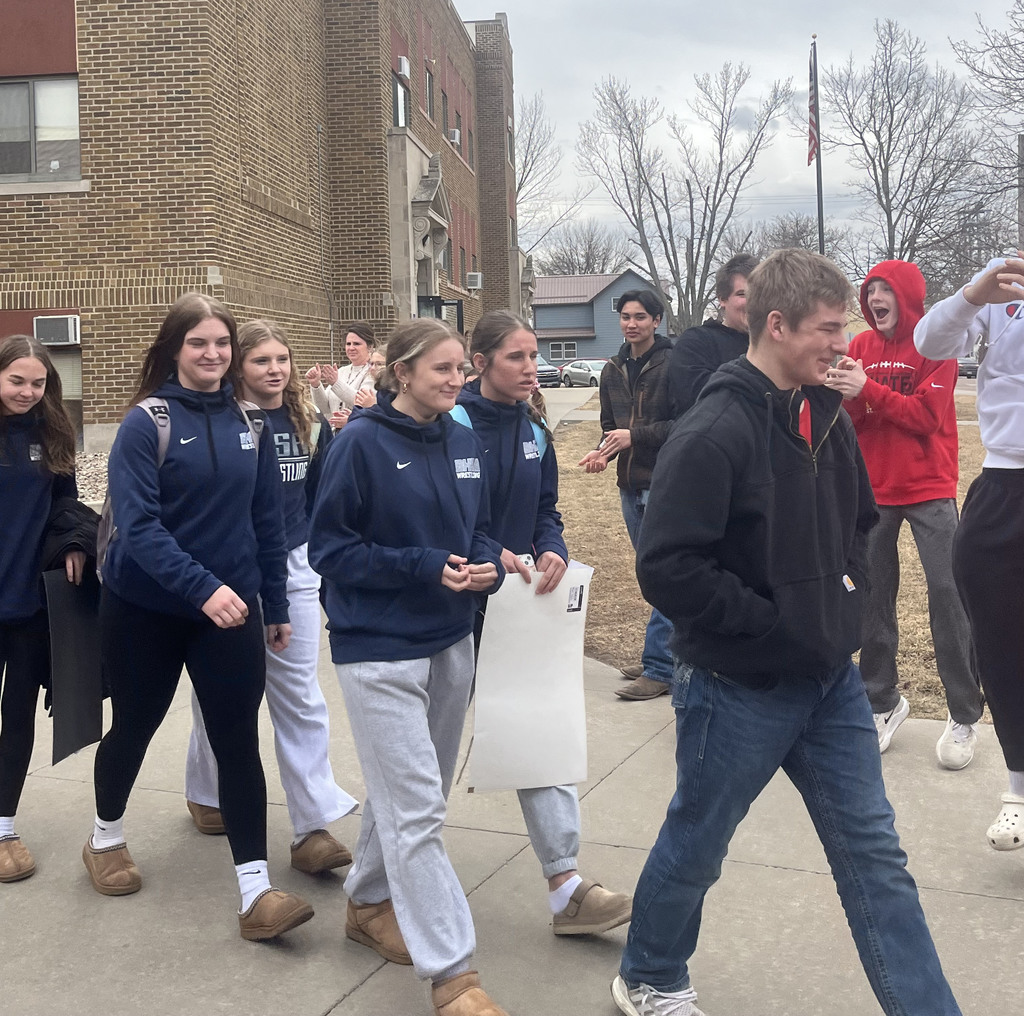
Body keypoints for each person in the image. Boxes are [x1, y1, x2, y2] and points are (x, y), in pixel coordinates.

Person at [612, 249, 961, 1016]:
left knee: (877, 859)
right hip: (737, 688)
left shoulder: (822, 413)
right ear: (776, 325)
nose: (843, 344)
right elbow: (669, 569)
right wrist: (771, 625)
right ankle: (649, 973)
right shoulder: (712, 430)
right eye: (828, 329)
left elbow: (861, 521)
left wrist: (838, 604)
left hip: (830, 682)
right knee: (701, 844)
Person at [84, 294, 314, 941]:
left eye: (221, 344)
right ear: (175, 351)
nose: (212, 355)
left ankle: (255, 892)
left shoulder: (252, 422)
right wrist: (203, 588)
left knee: (237, 741)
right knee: (134, 726)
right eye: (198, 344)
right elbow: (139, 527)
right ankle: (105, 839)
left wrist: (274, 602)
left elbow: (267, 521)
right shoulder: (146, 422)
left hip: (232, 611)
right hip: (145, 609)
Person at [308, 319, 509, 1016]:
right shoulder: (357, 444)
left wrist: (486, 563)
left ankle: (367, 902)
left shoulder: (461, 437)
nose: (458, 380)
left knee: (409, 796)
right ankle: (453, 973)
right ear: (402, 373)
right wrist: (423, 567)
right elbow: (328, 552)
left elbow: (474, 527)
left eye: (461, 369)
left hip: (451, 642)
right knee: (419, 808)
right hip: (378, 648)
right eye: (444, 370)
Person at [454, 309, 632, 936]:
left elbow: (545, 508)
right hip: (453, 607)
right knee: (427, 754)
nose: (532, 369)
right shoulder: (449, 424)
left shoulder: (533, 427)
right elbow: (446, 515)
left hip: (518, 606)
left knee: (539, 735)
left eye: (534, 357)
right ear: (479, 364)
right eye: (516, 358)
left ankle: (566, 888)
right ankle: (378, 884)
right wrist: (484, 553)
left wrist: (551, 544)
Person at [183, 318, 358, 870]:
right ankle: (205, 790)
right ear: (239, 368)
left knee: (298, 688)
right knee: (222, 691)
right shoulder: (223, 419)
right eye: (261, 361)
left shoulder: (307, 421)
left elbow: (322, 497)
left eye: (282, 359)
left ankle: (311, 826)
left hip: (295, 564)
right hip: (228, 564)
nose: (275, 370)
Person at [825, 260, 982, 765]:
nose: (874, 299)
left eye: (883, 290)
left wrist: (868, 392)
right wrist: (847, 392)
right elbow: (851, 419)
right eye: (869, 291)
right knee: (872, 594)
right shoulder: (861, 349)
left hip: (930, 488)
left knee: (947, 592)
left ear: (907, 296)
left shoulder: (937, 344)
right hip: (874, 490)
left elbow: (926, 418)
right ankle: (881, 701)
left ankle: (964, 714)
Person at [915, 252, 1024, 851]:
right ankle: (1018, 787)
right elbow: (930, 342)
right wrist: (973, 294)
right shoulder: (1003, 283)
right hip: (1004, 486)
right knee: (1003, 649)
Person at [0, 335, 85, 883]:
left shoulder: (53, 433)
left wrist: (76, 542)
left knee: (17, 717)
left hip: (27, 601)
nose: (28, 392)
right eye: (16, 381)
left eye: (38, 383)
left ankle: (3, 826)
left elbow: (65, 506)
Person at [578, 289, 675, 700]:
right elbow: (608, 424)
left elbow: (686, 423)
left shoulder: (673, 365)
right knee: (651, 573)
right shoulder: (612, 369)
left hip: (665, 482)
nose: (631, 323)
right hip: (629, 485)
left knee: (664, 573)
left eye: (640, 317)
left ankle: (660, 667)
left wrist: (633, 435)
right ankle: (666, 653)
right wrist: (602, 452)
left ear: (656, 321)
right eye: (625, 317)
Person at [668, 253, 758, 417]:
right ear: (722, 299)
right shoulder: (695, 343)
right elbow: (699, 401)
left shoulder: (777, 344)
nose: (752, 301)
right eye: (742, 294)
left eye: (758, 294)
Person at [306, 321, 376, 417]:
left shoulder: (373, 372)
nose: (351, 348)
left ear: (370, 346)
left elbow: (361, 401)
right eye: (348, 344)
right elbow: (324, 409)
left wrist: (336, 383)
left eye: (356, 344)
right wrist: (316, 384)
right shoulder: (342, 371)